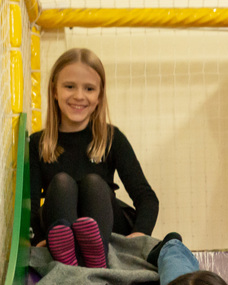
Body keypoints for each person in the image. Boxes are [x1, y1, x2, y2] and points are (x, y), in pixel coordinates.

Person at [29, 48, 159, 270]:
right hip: (60, 225)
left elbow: (147, 198)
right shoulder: (38, 143)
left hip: (104, 224)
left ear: (99, 96)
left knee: (92, 184)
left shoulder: (111, 138)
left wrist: (139, 234)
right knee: (62, 183)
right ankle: (69, 261)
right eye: (69, 86)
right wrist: (38, 239)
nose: (79, 96)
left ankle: (96, 257)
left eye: (89, 89)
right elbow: (30, 207)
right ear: (54, 91)